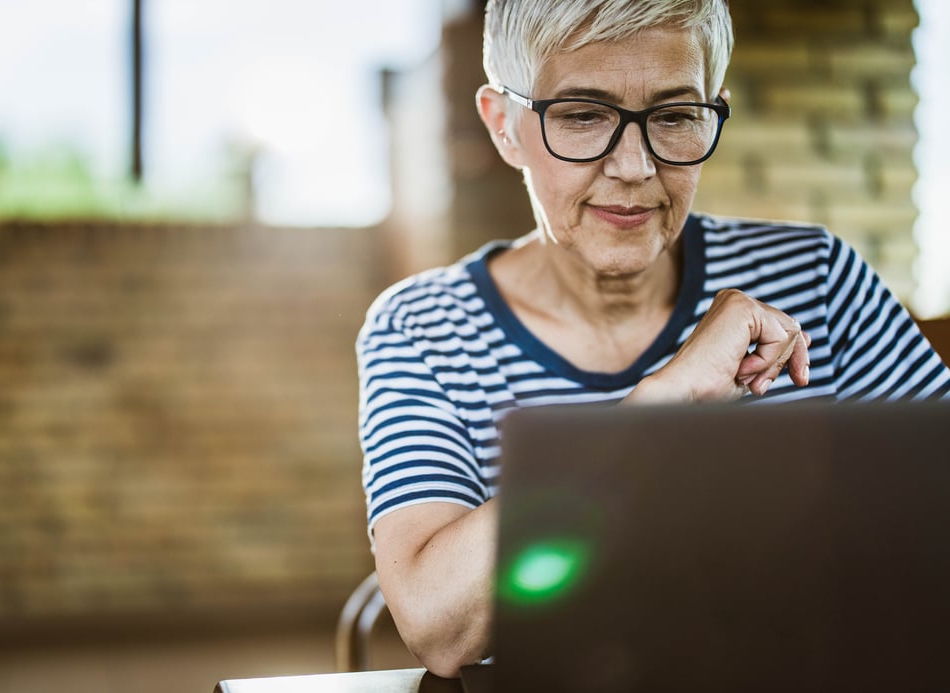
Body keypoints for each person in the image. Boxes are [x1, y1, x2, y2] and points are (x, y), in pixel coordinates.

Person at [357, 0, 950, 678]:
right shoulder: (423, 326)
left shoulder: (817, 278)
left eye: (673, 116)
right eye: (583, 115)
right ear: (504, 127)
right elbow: (439, 628)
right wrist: (663, 404)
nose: (635, 167)